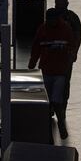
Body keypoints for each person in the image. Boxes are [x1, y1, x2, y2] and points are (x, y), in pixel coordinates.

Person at [28, 8, 76, 139]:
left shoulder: (65, 29)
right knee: (47, 101)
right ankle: (48, 126)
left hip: (60, 72)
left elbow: (71, 46)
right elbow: (36, 47)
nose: (50, 22)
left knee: (56, 100)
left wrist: (70, 59)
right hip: (46, 70)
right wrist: (32, 63)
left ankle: (60, 123)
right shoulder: (43, 29)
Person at [54, 0, 81, 103]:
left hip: (65, 55)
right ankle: (59, 104)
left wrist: (74, 52)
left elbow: (78, 37)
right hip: (56, 55)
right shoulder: (71, 17)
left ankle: (61, 103)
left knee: (64, 81)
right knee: (63, 80)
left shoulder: (72, 18)